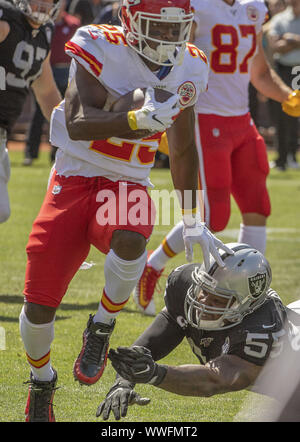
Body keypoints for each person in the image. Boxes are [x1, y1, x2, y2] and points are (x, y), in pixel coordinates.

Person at [19, 0, 233, 422]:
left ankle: (101, 325)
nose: (171, 39)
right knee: (38, 305)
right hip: (73, 175)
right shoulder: (98, 44)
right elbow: (78, 121)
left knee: (133, 236)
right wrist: (136, 117)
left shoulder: (190, 65)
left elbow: (186, 148)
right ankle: (41, 380)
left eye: (179, 29)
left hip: (128, 180)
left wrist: (192, 216)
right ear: (131, 21)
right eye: (160, 28)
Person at [134, 0, 300, 317]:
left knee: (257, 206)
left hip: (242, 121)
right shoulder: (198, 6)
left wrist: (286, 96)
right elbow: (173, 61)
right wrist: (171, 119)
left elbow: (259, 71)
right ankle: (152, 265)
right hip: (206, 120)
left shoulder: (252, 8)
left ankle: (249, 296)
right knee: (213, 216)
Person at [97, 242, 300, 421]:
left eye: (218, 300)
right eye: (204, 291)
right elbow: (156, 337)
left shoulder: (261, 329)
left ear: (247, 305)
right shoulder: (187, 287)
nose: (203, 304)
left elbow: (214, 380)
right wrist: (123, 382)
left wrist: (154, 374)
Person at [0, 0, 62, 223]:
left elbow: (46, 91)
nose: (44, 5)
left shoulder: (43, 33)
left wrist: (69, 131)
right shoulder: (5, 20)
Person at [23, 0, 81, 166]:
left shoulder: (63, 26)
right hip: (49, 68)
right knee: (37, 116)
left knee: (61, 110)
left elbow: (47, 93)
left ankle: (57, 153)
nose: (44, 5)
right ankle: (30, 153)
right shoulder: (9, 19)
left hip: (65, 71)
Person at [267, 0, 300, 170]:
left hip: (298, 70)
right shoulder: (280, 19)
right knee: (281, 113)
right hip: (283, 69)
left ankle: (293, 156)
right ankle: (281, 158)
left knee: (296, 113)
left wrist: (290, 40)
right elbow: (275, 46)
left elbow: (283, 44)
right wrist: (296, 43)